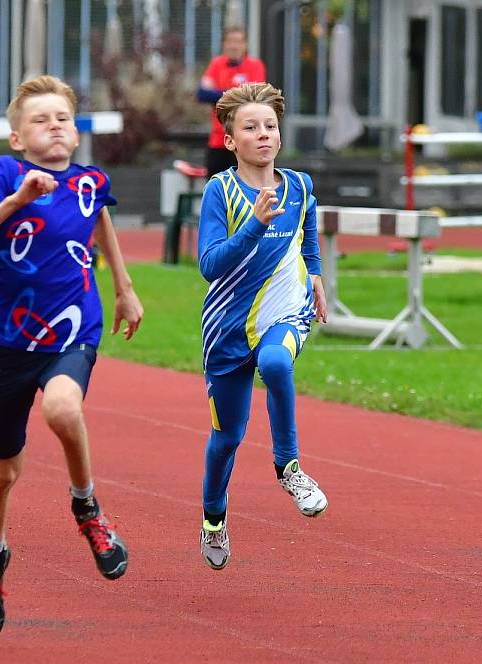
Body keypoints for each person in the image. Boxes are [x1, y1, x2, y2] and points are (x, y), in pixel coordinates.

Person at [0, 75, 144, 641]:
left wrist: (124, 288)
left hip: (73, 327)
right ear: (16, 138)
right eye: (41, 120)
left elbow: (100, 217)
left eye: (63, 118)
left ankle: (87, 507)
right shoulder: (3, 176)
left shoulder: (91, 179)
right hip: (8, 341)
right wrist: (17, 200)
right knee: (2, 472)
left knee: (62, 409)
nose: (55, 126)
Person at [196, 82, 328, 571]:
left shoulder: (299, 186)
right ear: (230, 140)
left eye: (270, 126)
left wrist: (314, 274)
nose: (263, 134)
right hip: (227, 326)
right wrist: (252, 223)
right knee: (226, 437)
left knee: (276, 362)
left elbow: (307, 230)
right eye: (250, 128)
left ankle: (288, 466)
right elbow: (209, 264)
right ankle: (213, 517)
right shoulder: (220, 191)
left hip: (285, 311)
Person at [198, 27, 266, 178]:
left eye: (238, 41)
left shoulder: (255, 66)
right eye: (229, 41)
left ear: (245, 45)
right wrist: (235, 93)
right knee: (216, 190)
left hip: (244, 142)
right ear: (224, 44)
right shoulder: (217, 64)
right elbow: (202, 94)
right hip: (218, 140)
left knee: (244, 191)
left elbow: (252, 97)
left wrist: (219, 93)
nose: (233, 46)